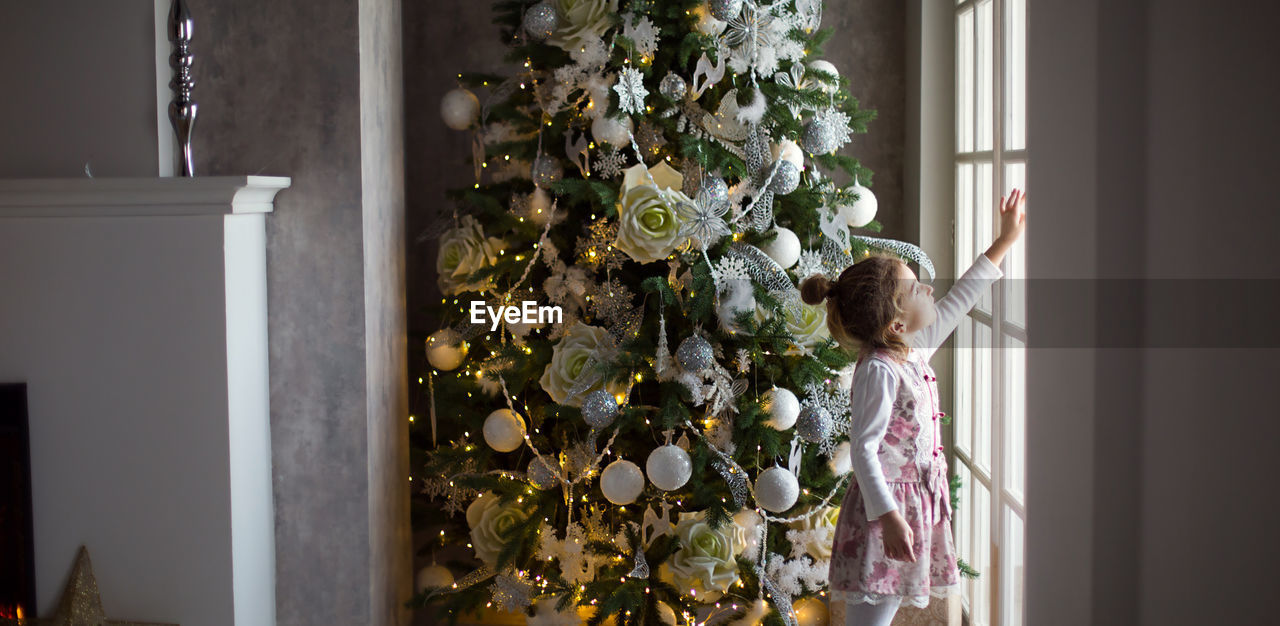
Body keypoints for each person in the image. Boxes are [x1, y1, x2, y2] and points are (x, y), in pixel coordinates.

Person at [799, 189, 1027, 625]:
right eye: (915, 286)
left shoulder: (911, 349)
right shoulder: (880, 370)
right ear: (897, 323)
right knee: (872, 611)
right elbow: (863, 451)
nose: (927, 287)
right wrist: (887, 517)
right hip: (885, 510)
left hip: (913, 504)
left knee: (884, 607)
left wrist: (1005, 240)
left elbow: (961, 300)